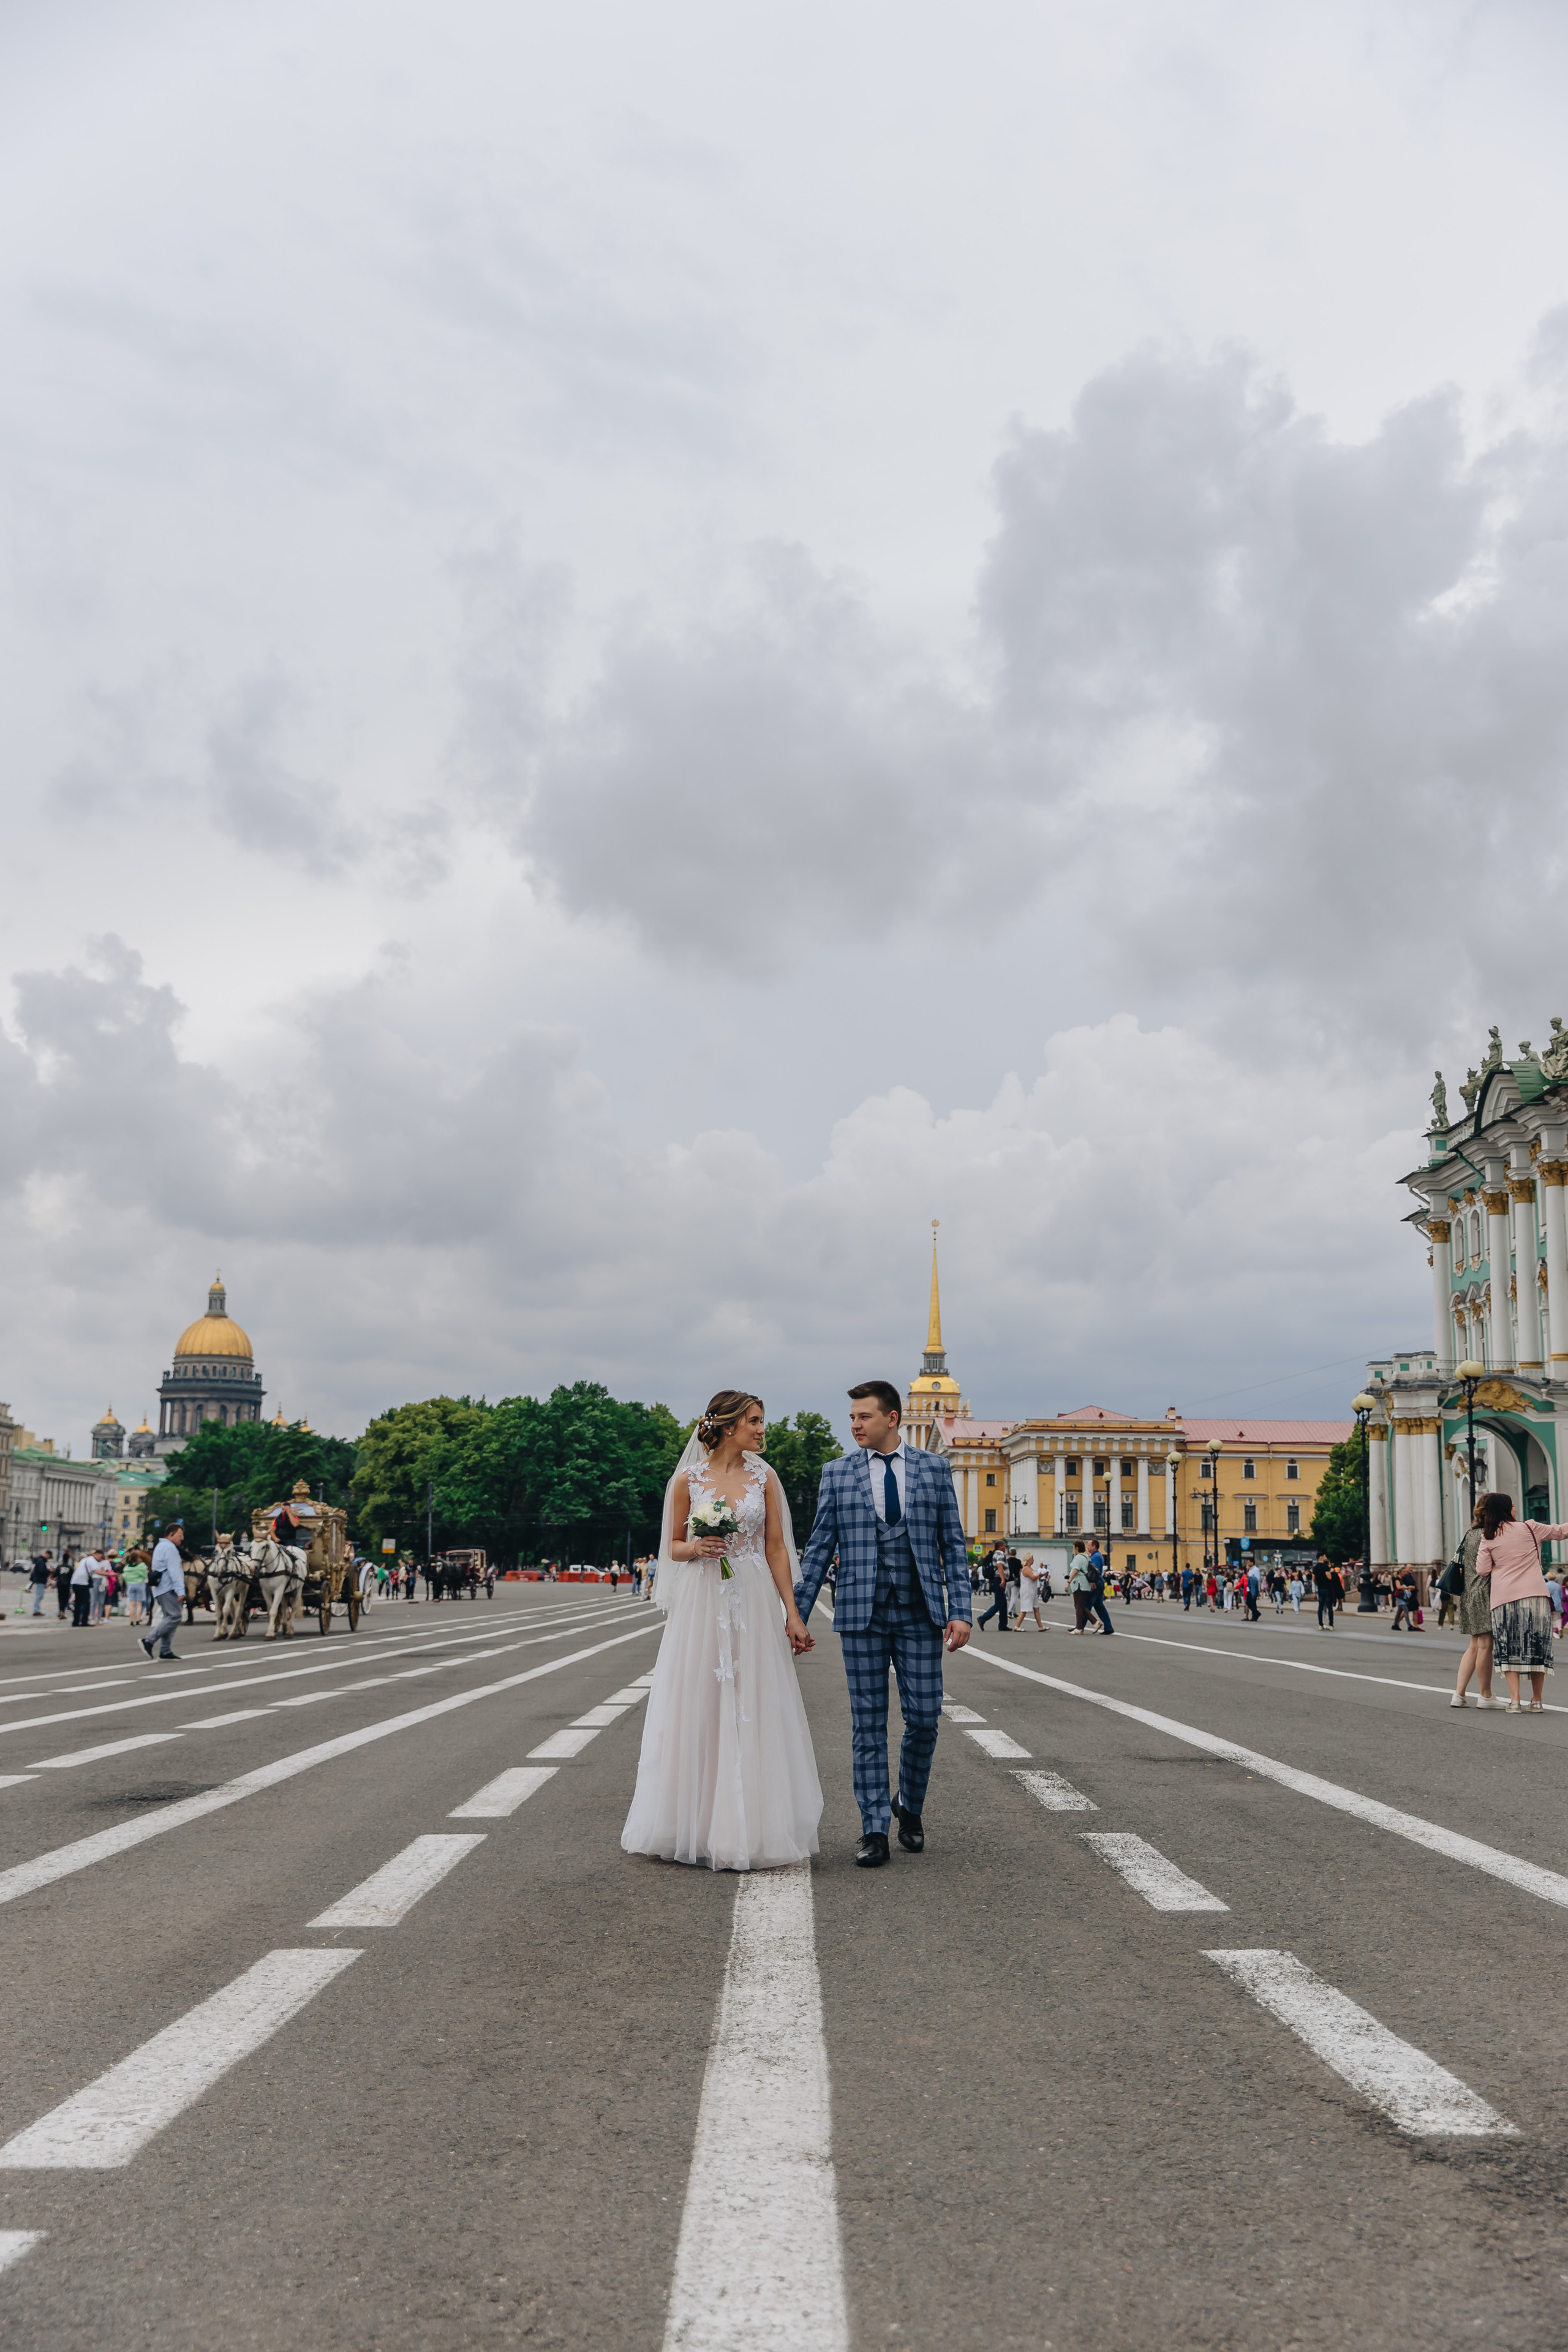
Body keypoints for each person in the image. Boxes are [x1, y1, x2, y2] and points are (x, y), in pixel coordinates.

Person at [624, 1390, 821, 1871]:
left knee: (754, 1701)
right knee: (700, 1701)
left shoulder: (765, 1477)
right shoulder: (687, 1480)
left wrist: (792, 1613)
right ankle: (689, 1824)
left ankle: (750, 1827)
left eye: (761, 1420)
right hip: (702, 1599)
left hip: (751, 1594)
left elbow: (776, 1548)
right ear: (730, 1426)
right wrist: (698, 1547)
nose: (762, 1429)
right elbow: (672, 1546)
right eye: (754, 1421)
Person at [793, 1378, 971, 1869]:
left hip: (920, 1612)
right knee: (868, 1725)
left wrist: (960, 1609)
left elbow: (953, 1544)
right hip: (860, 1614)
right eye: (852, 1417)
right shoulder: (837, 1473)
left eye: (864, 1416)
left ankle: (908, 1804)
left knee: (925, 1719)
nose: (855, 1425)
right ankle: (874, 1829)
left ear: (892, 1418)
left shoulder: (934, 1469)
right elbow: (819, 1549)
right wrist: (797, 1616)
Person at [1474, 1491, 1568, 1714]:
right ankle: (1536, 1701)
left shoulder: (1488, 1536)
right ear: (1506, 1509)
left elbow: (1482, 1570)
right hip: (1535, 1596)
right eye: (1513, 1505)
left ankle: (1515, 1700)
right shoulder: (1530, 1527)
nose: (1516, 1509)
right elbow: (1561, 1531)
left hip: (1504, 1598)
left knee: (1509, 1647)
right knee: (1537, 1646)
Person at [1450, 1498, 1504, 1708]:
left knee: (1474, 1646)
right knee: (1485, 1646)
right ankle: (1486, 1696)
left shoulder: (1470, 1533)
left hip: (1469, 1594)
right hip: (1484, 1592)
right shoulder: (1490, 1534)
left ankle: (1459, 1694)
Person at [141, 1522, 187, 1660]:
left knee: (170, 1618)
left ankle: (165, 1650)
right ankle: (149, 1640)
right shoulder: (170, 1548)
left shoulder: (161, 1546)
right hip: (169, 1587)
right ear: (171, 1534)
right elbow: (175, 1570)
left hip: (161, 1587)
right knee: (174, 1617)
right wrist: (181, 1590)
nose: (182, 1538)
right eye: (180, 1535)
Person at [976, 1550, 1009, 1634]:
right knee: (999, 1603)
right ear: (1001, 1546)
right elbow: (999, 1565)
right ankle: (983, 1618)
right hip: (998, 1580)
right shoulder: (999, 1553)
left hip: (994, 1580)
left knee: (1003, 1603)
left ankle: (1003, 1625)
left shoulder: (993, 1555)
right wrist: (1003, 1579)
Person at [1016, 1551, 1044, 1632]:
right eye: (1032, 1559)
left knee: (1036, 1608)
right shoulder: (1026, 1569)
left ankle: (1041, 1626)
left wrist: (1038, 1575)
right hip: (1027, 1591)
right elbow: (1033, 1577)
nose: (1033, 1560)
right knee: (1024, 1609)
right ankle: (1017, 1626)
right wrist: (1039, 1575)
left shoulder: (1030, 1568)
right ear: (1028, 1560)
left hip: (1032, 1591)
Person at [1314, 1555, 1343, 1630]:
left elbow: (1314, 1579)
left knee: (1320, 1607)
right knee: (1329, 1607)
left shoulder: (1315, 1568)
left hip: (1320, 1589)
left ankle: (1321, 1625)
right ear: (1322, 1558)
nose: (1326, 1558)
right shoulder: (1325, 1567)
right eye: (1325, 1557)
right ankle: (1331, 1625)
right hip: (1327, 1589)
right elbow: (1329, 1577)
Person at [69, 1549, 96, 1627]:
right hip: (83, 1584)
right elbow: (96, 1572)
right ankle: (84, 1621)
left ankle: (76, 1622)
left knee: (78, 1603)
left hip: (76, 1583)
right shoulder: (91, 1560)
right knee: (85, 1603)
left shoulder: (84, 1561)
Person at [28, 1552, 51, 1616]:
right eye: (49, 1557)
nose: (49, 1559)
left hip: (39, 1580)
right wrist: (49, 1571)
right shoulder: (41, 1561)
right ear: (47, 1555)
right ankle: (36, 1611)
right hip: (40, 1580)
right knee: (39, 1596)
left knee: (40, 1596)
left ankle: (37, 1610)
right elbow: (41, 1571)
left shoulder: (40, 1560)